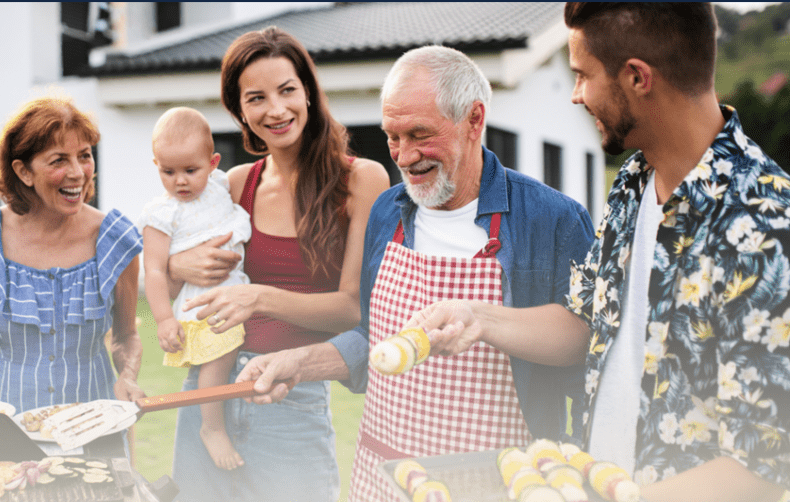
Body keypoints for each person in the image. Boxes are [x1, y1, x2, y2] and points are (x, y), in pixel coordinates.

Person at [337, 4, 790, 501]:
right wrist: (475, 317)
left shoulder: (765, 224)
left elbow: (768, 466)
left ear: (637, 77)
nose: (575, 95)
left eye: (581, 75)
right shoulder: (633, 187)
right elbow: (582, 325)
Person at [234, 44, 596, 502]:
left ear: (473, 120)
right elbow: (373, 335)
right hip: (389, 476)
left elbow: (585, 342)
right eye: (392, 137)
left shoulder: (551, 219)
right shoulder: (388, 210)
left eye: (419, 134)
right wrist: (301, 362)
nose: (404, 157)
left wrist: (480, 319)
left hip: (502, 482)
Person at [165, 26, 390, 502]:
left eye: (287, 90)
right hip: (209, 387)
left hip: (291, 393)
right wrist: (181, 264)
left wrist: (259, 296)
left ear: (307, 91)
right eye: (256, 98)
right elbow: (169, 271)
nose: (276, 109)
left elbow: (351, 309)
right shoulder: (233, 183)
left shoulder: (362, 179)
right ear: (239, 110)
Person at [0, 95, 146, 418]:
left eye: (84, 156)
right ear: (23, 171)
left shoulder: (117, 240)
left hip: (90, 427)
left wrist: (127, 375)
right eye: (59, 160)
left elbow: (125, 337)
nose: (78, 172)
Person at [139, 107, 252, 470]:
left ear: (213, 162)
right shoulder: (162, 213)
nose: (180, 182)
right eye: (167, 172)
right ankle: (211, 427)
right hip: (201, 301)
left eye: (191, 170)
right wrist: (162, 320)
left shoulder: (220, 185)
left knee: (228, 357)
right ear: (156, 164)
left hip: (235, 288)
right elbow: (154, 269)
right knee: (217, 358)